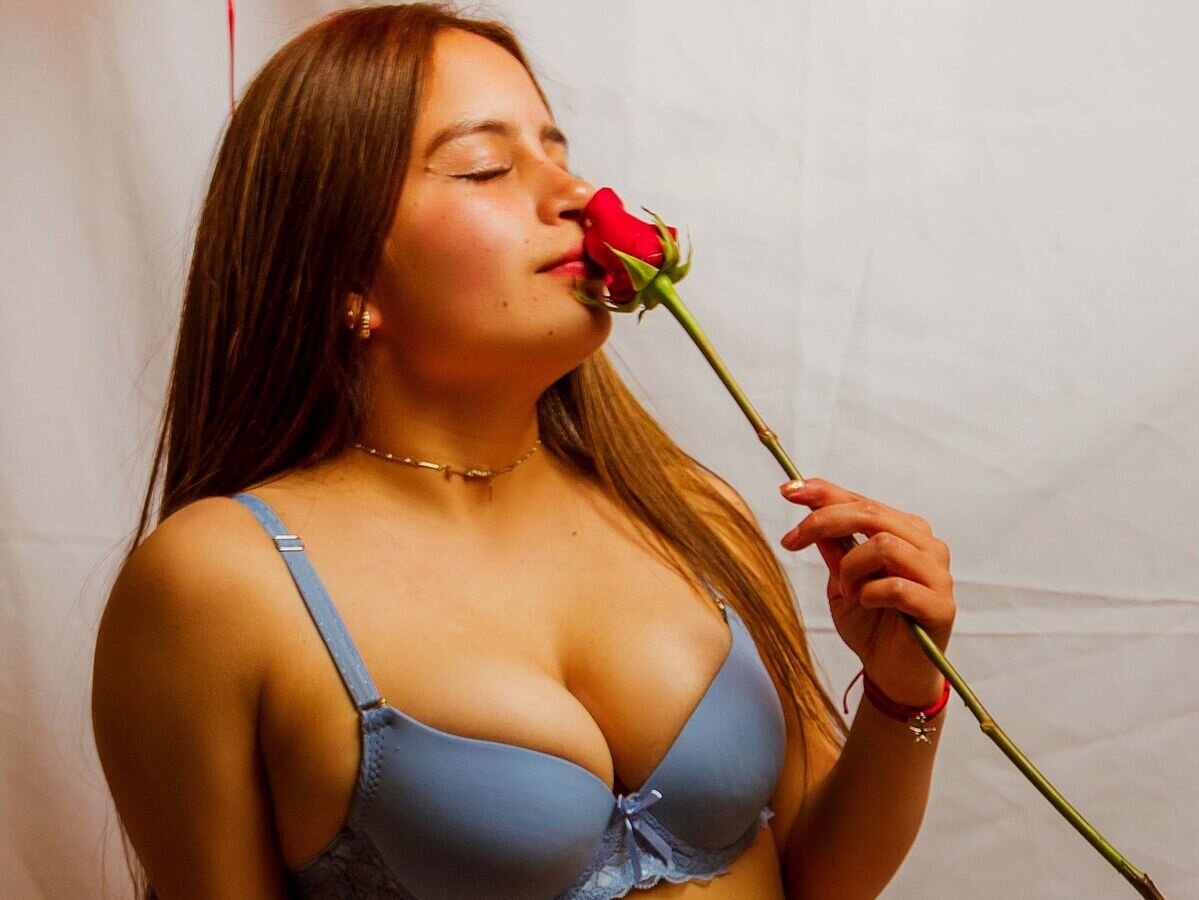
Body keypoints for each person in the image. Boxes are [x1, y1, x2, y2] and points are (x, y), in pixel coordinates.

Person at [90, 4, 956, 899]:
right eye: (486, 167)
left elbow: (819, 879)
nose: (578, 196)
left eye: (558, 153)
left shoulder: (691, 513)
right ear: (345, 279)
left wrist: (901, 693)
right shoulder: (220, 583)